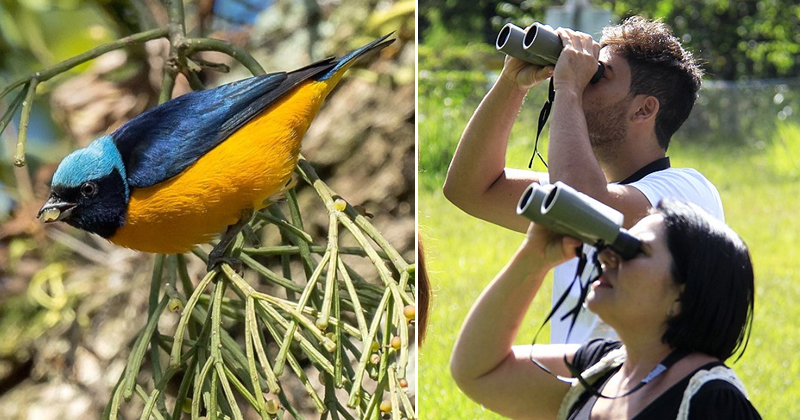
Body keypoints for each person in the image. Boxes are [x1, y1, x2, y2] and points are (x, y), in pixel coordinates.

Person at [443, 16, 724, 344]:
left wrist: (568, 87)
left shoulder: (686, 193)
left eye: (599, 74)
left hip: (644, 378)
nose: (584, 78)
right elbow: (470, 189)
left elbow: (580, 205)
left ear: (644, 110)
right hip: (582, 376)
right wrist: (511, 83)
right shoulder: (589, 190)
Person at [450, 199, 761, 419]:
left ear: (682, 295)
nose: (607, 255)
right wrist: (535, 256)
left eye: (634, 250)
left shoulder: (711, 402)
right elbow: (479, 371)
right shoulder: (601, 370)